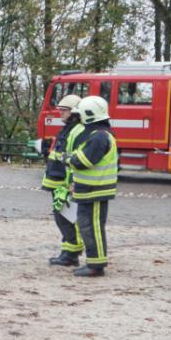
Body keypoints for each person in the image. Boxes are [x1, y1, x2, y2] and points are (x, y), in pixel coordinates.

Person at [64, 96, 118, 277]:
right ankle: (94, 262)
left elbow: (84, 161)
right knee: (88, 226)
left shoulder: (99, 137)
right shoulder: (98, 135)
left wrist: (68, 159)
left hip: (95, 189)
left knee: (92, 227)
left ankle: (96, 264)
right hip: (89, 188)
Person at [42, 94, 84, 267]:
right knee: (62, 218)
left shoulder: (77, 130)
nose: (60, 113)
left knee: (67, 218)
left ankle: (70, 254)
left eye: (64, 110)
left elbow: (75, 158)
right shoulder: (69, 128)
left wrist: (73, 182)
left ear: (74, 112)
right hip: (58, 182)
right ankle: (68, 252)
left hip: (65, 183)